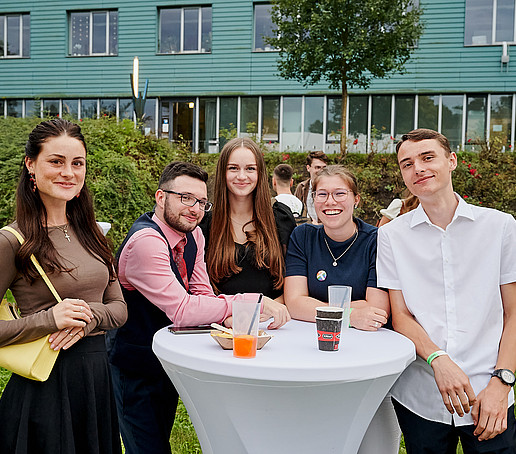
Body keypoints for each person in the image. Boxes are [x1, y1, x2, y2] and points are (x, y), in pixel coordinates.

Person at [109, 161, 290, 454]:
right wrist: (252, 300)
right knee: (147, 447)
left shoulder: (193, 235)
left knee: (160, 439)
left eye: (201, 202)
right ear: (160, 197)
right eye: (185, 198)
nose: (194, 208)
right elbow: (183, 310)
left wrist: (227, 315)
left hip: (164, 358)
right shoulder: (146, 241)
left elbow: (202, 294)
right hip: (135, 363)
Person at [376, 128, 516, 453]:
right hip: (422, 394)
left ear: (451, 160)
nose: (418, 169)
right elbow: (401, 316)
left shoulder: (501, 227)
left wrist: (502, 382)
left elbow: (513, 313)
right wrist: (439, 359)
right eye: (407, 163)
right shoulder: (392, 236)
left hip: (489, 391)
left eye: (427, 158)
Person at [0, 119, 127, 453]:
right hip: (46, 390)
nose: (68, 172)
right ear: (31, 164)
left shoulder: (93, 233)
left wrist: (86, 317)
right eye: (56, 161)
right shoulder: (12, 241)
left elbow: (119, 308)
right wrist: (50, 319)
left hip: (96, 383)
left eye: (77, 163)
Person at [284, 165, 398, 454]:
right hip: (314, 352)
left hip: (366, 357)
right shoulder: (303, 237)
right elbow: (294, 301)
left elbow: (377, 309)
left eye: (339, 194)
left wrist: (316, 306)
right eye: (321, 194)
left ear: (356, 199)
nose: (330, 202)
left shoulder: (376, 240)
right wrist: (350, 314)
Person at [201, 137, 296, 300]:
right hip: (221, 322)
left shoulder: (280, 217)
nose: (242, 176)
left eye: (250, 168)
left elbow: (293, 281)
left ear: (260, 173)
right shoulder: (205, 223)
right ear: (223, 172)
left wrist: (268, 312)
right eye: (233, 168)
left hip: (272, 321)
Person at [294, 150, 328, 223]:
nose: (321, 171)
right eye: (317, 167)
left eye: (324, 168)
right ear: (308, 168)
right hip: (307, 230)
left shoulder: (332, 188)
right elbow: (295, 211)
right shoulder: (302, 187)